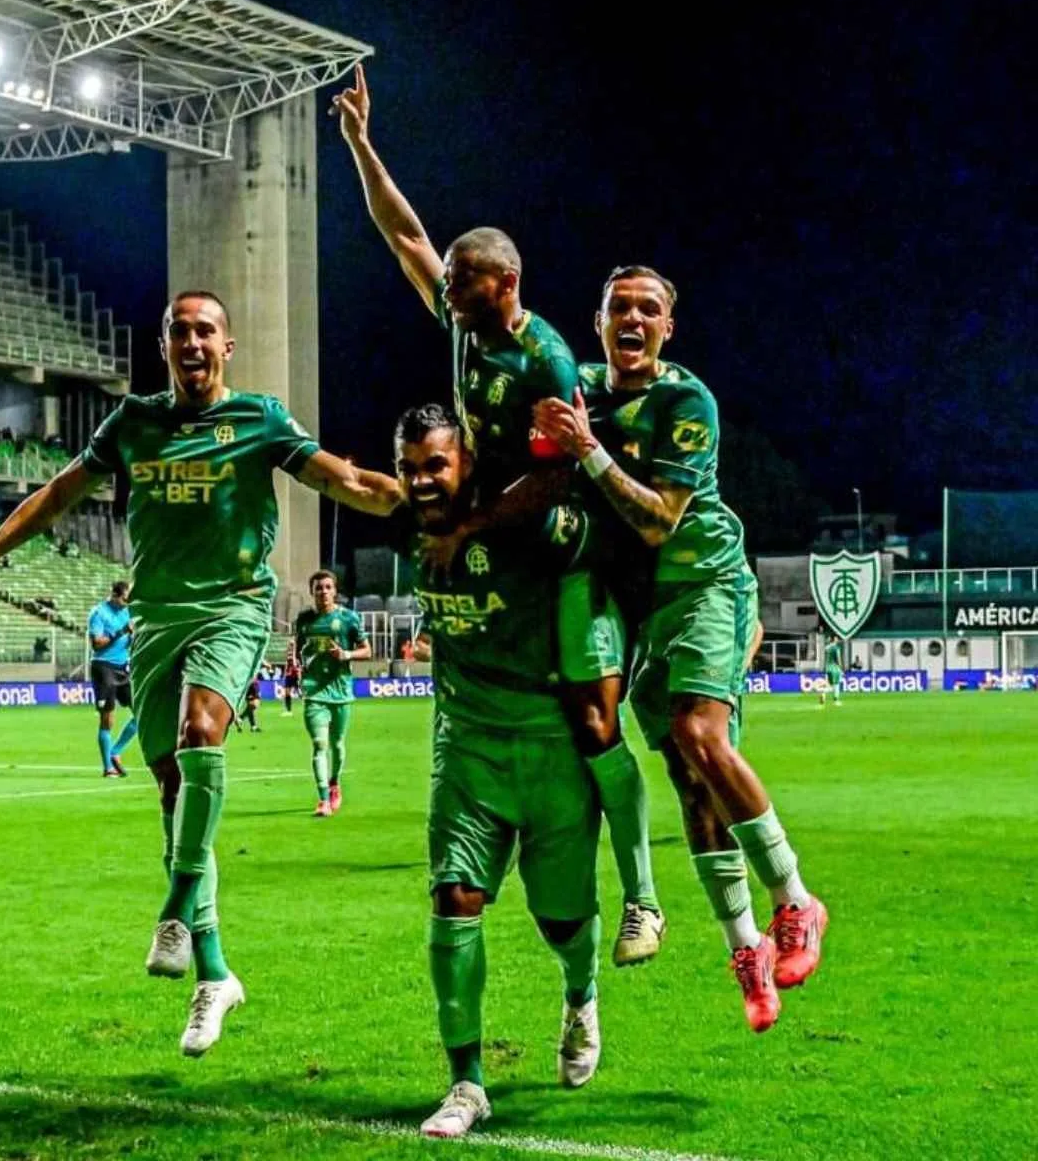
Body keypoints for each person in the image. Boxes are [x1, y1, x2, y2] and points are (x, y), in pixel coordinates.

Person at [0, 289, 401, 1059]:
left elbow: (337, 479)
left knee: (201, 734)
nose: (192, 342)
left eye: (206, 331)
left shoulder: (258, 418)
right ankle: (214, 974)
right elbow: (62, 492)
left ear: (228, 346)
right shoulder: (134, 423)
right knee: (171, 787)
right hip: (156, 620)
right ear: (164, 346)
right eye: (178, 331)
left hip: (233, 609)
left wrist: (404, 495)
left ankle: (174, 905)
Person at [333, 63, 664, 966]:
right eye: (449, 285)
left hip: (559, 540)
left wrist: (470, 526)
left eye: (463, 285)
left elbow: (557, 484)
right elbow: (404, 234)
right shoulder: (461, 322)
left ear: (504, 283)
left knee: (593, 723)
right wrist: (364, 145)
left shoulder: (548, 363)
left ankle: (641, 895)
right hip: (497, 533)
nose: (446, 293)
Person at [533, 264, 828, 1032]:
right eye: (618, 308)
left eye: (649, 310)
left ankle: (796, 902)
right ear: (599, 321)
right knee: (688, 782)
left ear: (669, 327)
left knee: (703, 736)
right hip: (642, 611)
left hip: (704, 584)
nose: (633, 320)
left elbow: (661, 520)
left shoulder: (685, 400)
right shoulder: (583, 387)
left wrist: (591, 451)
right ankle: (746, 951)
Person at [394, 405, 604, 1139]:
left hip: (549, 745)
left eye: (436, 465)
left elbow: (596, 543)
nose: (422, 481)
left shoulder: (530, 526)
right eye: (411, 466)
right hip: (468, 747)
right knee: (454, 896)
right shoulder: (405, 521)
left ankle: (581, 991)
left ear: (468, 465)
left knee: (561, 918)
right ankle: (465, 1082)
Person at [293, 570, 371, 817]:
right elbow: (298, 647)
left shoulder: (348, 618)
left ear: (335, 591)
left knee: (337, 744)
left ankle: (335, 783)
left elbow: (366, 650)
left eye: (328, 587)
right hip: (314, 691)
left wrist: (346, 655)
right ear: (312, 591)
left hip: (341, 691)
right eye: (318, 588)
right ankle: (323, 798)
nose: (323, 592)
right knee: (319, 745)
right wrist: (297, 665)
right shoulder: (304, 619)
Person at [87, 580, 139, 777]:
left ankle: (115, 752)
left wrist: (133, 637)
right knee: (107, 719)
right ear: (115, 596)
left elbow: (130, 639)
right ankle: (107, 767)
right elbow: (97, 644)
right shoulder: (99, 613)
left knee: (140, 713)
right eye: (125, 599)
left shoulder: (127, 612)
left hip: (123, 667)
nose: (127, 603)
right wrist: (120, 632)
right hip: (104, 668)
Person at [820, 635, 844, 707]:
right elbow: (839, 659)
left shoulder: (827, 647)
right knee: (836, 685)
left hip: (828, 668)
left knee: (830, 685)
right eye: (837, 639)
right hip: (835, 668)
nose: (838, 640)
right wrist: (841, 668)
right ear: (835, 639)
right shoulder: (836, 648)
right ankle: (836, 701)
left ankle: (823, 693)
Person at [281, 651, 301, 715]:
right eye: (289, 655)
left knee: (300, 693)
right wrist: (285, 675)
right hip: (288, 678)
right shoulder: (287, 662)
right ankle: (288, 710)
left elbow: (298, 670)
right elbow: (286, 671)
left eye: (291, 655)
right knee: (287, 694)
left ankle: (306, 704)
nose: (289, 656)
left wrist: (299, 677)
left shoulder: (296, 661)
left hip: (295, 678)